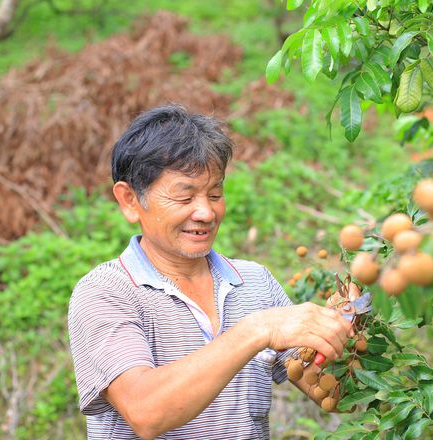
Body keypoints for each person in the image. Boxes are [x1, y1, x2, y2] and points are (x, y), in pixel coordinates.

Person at [67, 105, 354, 440]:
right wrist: (258, 330)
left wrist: (348, 331)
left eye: (215, 194)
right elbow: (145, 411)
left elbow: (336, 395)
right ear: (130, 200)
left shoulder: (256, 283)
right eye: (184, 196)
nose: (205, 212)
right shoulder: (105, 292)